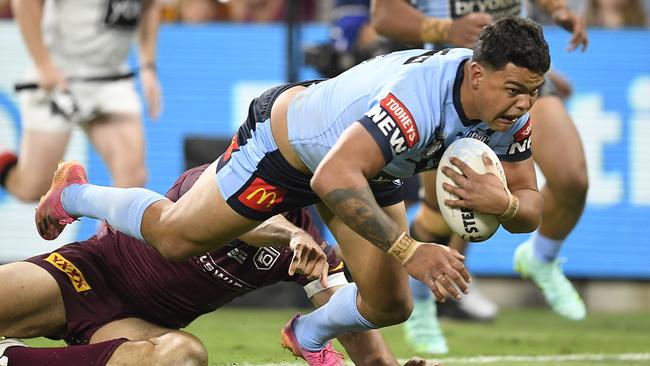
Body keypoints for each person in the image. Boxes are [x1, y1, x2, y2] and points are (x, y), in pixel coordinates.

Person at [36, 17, 549, 365]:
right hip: (287, 149)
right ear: (477, 75)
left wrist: (502, 203)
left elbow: (531, 206)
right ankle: (73, 194)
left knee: (391, 304)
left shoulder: (508, 115)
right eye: (514, 90)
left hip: (364, 162)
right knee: (175, 238)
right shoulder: (416, 102)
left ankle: (305, 336)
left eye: (533, 92)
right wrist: (410, 249)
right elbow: (330, 179)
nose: (524, 105)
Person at [0, 163, 425, 366]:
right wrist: (290, 235)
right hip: (84, 275)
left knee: (185, 358)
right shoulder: (215, 180)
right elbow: (242, 224)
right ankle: (73, 196)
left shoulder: (309, 249)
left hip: (136, 326)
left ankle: (11, 359)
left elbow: (347, 323)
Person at [371, 0, 589, 354]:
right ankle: (422, 303)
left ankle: (541, 258)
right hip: (450, 80)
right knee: (444, 212)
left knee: (572, 179)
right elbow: (383, 16)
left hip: (519, 73)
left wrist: (558, 9)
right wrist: (443, 30)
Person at [0, 0, 162, 202]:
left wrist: (148, 66)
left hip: (111, 80)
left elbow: (151, 6)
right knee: (33, 189)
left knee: (133, 178)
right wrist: (43, 64)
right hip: (58, 78)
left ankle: (108, 235)